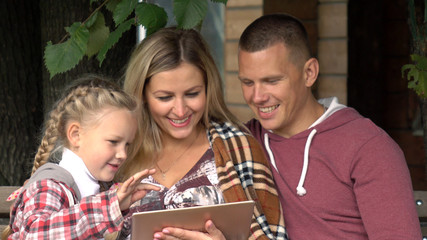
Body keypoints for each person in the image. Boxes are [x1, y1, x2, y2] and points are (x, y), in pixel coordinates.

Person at [237, 13, 422, 239]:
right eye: (247, 82)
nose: (257, 97)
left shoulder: (368, 146)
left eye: (272, 81)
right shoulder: (240, 143)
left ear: (309, 73)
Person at [116, 27, 287, 240]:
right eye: (165, 97)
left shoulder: (237, 147)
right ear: (141, 95)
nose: (180, 110)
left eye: (192, 94)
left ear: (208, 88)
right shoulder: (118, 150)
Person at [2, 76, 160, 240]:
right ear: (76, 135)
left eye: (127, 144)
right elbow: (35, 235)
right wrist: (109, 207)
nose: (123, 154)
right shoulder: (51, 186)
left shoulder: (102, 188)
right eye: (113, 142)